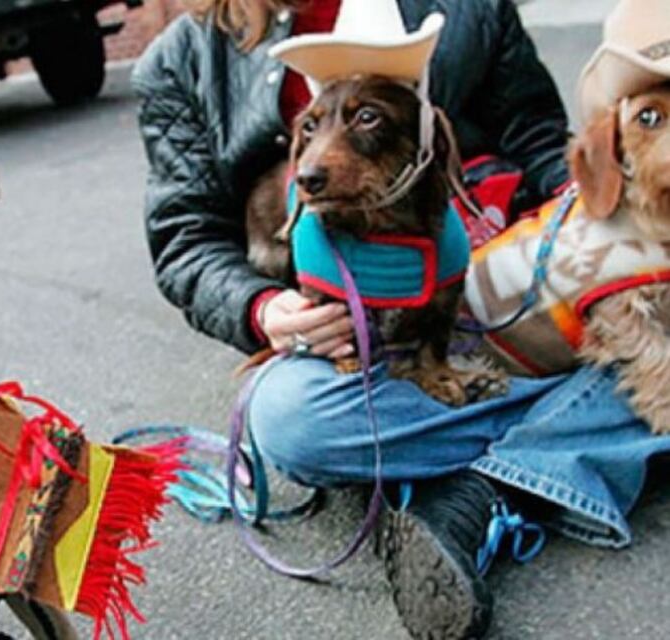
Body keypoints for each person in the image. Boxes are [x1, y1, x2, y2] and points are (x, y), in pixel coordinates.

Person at [134, 0, 670, 638]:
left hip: (510, 275)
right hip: (354, 338)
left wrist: (602, 228)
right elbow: (186, 239)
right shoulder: (181, 59)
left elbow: (536, 134)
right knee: (287, 419)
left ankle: (483, 493)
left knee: (634, 318)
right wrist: (264, 310)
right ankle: (573, 434)